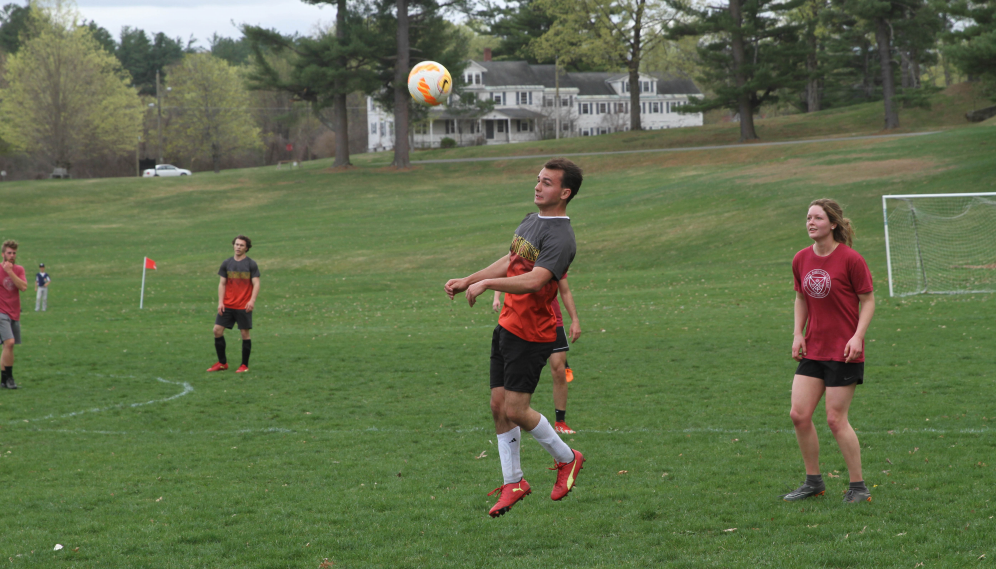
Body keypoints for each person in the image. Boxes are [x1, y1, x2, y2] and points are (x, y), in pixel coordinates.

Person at [445, 158, 585, 518]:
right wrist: (468, 279)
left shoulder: (561, 237)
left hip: (532, 334)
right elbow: (512, 261)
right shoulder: (531, 220)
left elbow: (535, 280)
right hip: (508, 326)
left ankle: (568, 458)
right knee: (498, 407)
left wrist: (487, 284)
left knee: (516, 410)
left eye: (548, 183)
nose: (538, 186)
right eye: (538, 180)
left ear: (565, 192)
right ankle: (514, 482)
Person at [784, 199, 876, 504]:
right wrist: (798, 332)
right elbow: (800, 298)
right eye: (808, 217)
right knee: (799, 414)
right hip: (814, 348)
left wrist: (858, 337)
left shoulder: (851, 259)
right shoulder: (800, 259)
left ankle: (858, 487)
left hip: (843, 350)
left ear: (833, 224)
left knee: (836, 420)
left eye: (817, 218)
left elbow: (868, 300)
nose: (810, 222)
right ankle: (813, 482)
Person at [493, 273, 581, 434]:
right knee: (519, 373)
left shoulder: (554, 256)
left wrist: (574, 320)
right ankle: (518, 414)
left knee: (559, 370)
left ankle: (560, 421)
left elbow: (565, 291)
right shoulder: (525, 253)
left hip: (553, 321)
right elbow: (505, 273)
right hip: (523, 323)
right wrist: (496, 297)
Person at [207, 235, 260, 374]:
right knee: (217, 330)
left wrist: (252, 301)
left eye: (241, 245)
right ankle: (222, 363)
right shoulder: (226, 263)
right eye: (236, 244)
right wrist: (220, 302)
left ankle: (244, 365)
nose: (238, 247)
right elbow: (222, 283)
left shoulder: (251, 264)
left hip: (243, 306)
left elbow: (256, 283)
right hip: (227, 305)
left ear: (246, 248)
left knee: (244, 334)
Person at [0, 241, 28, 389]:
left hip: (14, 312)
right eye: (9, 253)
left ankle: (3, 380)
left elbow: (23, 287)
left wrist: (10, 272)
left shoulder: (18, 269)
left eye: (14, 253)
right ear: (3, 254)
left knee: (7, 347)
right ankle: (10, 378)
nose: (11, 256)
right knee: (9, 343)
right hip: (1, 313)